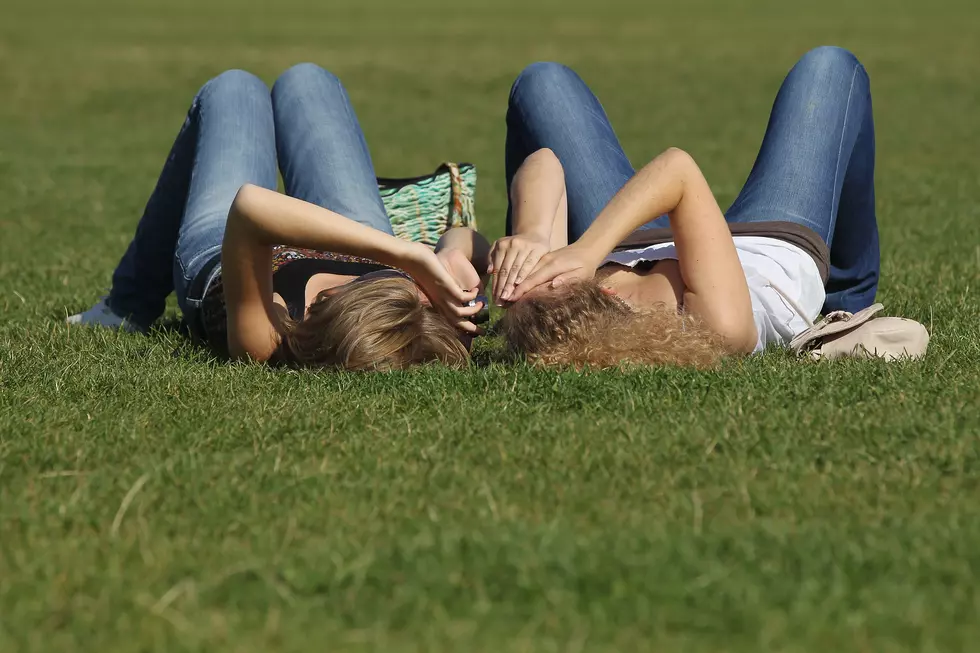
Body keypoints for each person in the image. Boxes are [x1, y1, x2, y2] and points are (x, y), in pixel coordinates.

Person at [68, 64, 489, 370]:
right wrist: (452, 256)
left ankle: (127, 306)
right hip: (357, 233)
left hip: (226, 245)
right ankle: (127, 302)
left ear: (326, 309)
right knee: (308, 80)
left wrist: (405, 254)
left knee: (234, 89)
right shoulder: (406, 320)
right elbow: (471, 239)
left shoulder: (268, 338)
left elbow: (252, 209)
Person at [490, 46, 879, 368]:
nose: (545, 277)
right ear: (605, 294)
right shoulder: (717, 326)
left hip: (635, 240)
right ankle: (849, 292)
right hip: (768, 245)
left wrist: (534, 235)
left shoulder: (552, 310)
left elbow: (543, 162)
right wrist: (589, 251)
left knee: (541, 82)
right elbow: (678, 170)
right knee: (830, 68)